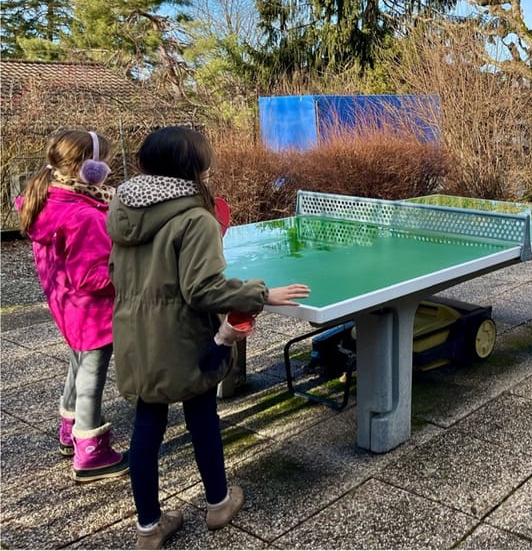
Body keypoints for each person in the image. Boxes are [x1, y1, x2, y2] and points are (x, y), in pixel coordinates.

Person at [106, 126, 311, 549]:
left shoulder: (123, 211)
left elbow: (115, 276)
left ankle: (148, 528)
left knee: (147, 424)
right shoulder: (194, 217)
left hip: (133, 334)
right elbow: (203, 289)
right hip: (182, 336)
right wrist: (261, 293)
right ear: (194, 166)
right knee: (201, 415)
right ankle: (218, 503)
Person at [15, 129, 130, 483]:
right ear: (89, 168)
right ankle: (90, 450)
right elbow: (92, 277)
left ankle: (69, 426)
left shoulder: (50, 198)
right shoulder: (85, 216)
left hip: (68, 308)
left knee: (79, 364)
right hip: (94, 312)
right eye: (104, 161)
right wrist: (131, 274)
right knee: (92, 375)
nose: (108, 168)